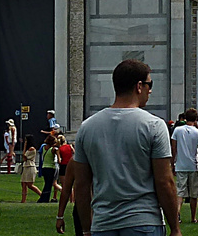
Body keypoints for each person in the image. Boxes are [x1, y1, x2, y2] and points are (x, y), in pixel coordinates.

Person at [69, 59, 181, 236]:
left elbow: (82, 184)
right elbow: (164, 182)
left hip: (103, 223)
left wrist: (86, 229)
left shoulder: (87, 127)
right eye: (149, 84)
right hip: (144, 221)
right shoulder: (154, 125)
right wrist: (175, 227)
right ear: (139, 86)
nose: (150, 90)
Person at [171, 110, 198, 225]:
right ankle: (193, 217)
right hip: (193, 165)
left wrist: (172, 163)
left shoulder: (177, 130)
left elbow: (174, 148)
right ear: (196, 119)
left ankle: (177, 214)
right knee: (194, 194)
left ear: (185, 118)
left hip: (181, 164)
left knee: (180, 192)